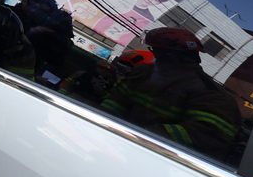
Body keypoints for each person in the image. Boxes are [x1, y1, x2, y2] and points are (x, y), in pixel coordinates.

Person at [101, 27, 242, 162]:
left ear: (176, 55)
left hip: (159, 159)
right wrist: (102, 124)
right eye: (155, 50)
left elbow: (206, 134)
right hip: (112, 142)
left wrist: (142, 136)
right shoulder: (143, 72)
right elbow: (115, 102)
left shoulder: (211, 94)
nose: (156, 55)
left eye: (159, 51)